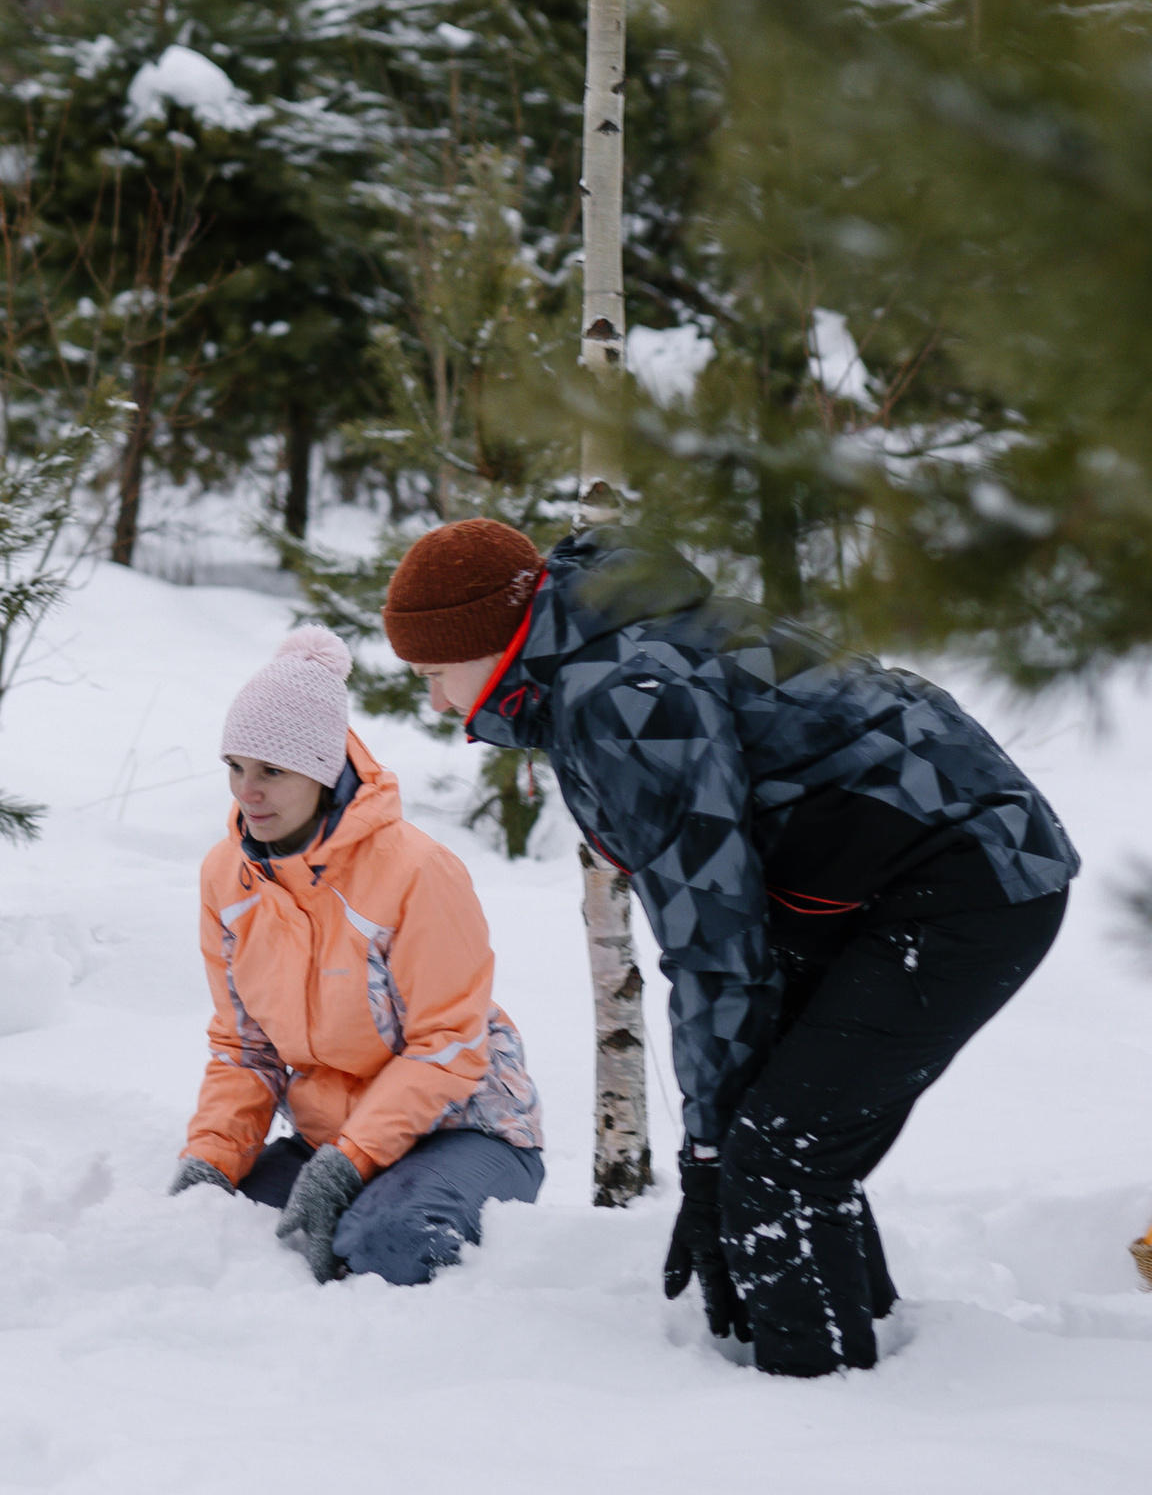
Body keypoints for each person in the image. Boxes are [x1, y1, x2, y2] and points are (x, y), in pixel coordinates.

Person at [382, 513, 1079, 1377]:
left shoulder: (621, 696)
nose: (439, 703)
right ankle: (870, 1352)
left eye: (436, 675)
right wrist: (717, 1141)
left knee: (779, 1159)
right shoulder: (599, 648)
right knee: (778, 1136)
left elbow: (713, 936)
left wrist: (709, 1155)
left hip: (965, 885)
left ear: (491, 639)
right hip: (880, 880)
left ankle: (820, 1403)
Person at [170, 623, 545, 1284]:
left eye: (270, 772)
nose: (245, 792)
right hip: (332, 1139)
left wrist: (350, 1162)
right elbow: (244, 1048)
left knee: (389, 1246)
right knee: (225, 1228)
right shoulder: (227, 878)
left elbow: (449, 1045)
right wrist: (212, 1161)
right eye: (235, 767)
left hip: (464, 1129)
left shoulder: (417, 873)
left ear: (321, 772)